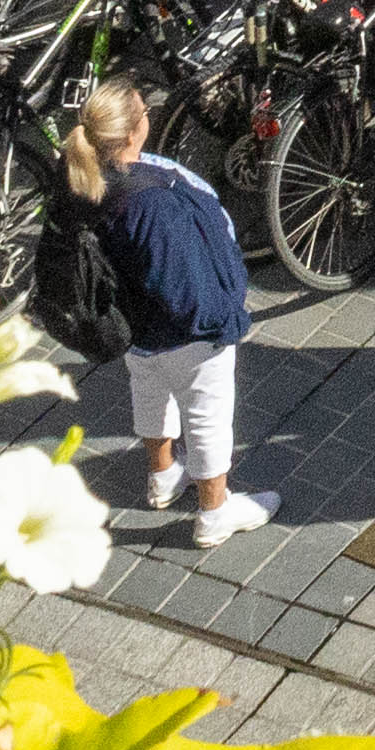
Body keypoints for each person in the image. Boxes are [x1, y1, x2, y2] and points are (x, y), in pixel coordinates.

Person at [56, 80, 273, 545]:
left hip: (131, 326)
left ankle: (161, 477)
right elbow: (188, 283)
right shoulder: (153, 200)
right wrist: (224, 320)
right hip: (186, 332)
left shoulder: (80, 178)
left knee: (150, 391)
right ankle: (215, 511)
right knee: (207, 415)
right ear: (137, 131)